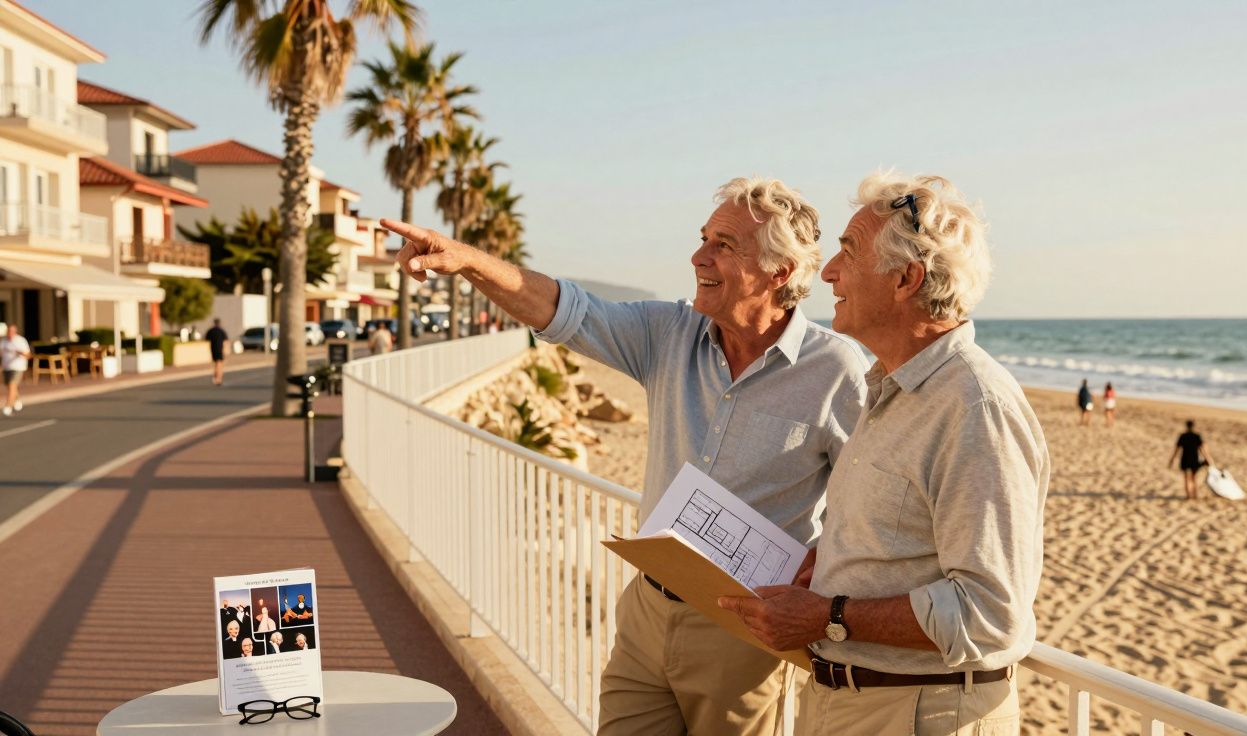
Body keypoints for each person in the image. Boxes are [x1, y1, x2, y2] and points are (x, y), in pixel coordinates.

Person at [382, 176, 869, 736]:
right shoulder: (668, 333)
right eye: (704, 238)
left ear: (779, 272)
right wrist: (468, 261)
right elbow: (565, 308)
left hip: (747, 635)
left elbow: (867, 505)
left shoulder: (837, 370)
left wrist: (820, 572)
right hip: (646, 611)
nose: (698, 256)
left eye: (724, 245)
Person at [719, 172, 1049, 736]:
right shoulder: (890, 388)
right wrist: (828, 560)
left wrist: (829, 616)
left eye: (848, 252)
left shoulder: (974, 406)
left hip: (919, 713)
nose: (828, 272)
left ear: (906, 279)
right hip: (853, 702)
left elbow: (991, 613)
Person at [1168, 419, 1213, 500]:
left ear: (1186, 426)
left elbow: (1177, 450)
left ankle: (1188, 495)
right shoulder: (1196, 436)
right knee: (1193, 478)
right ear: (1193, 426)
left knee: (1186, 478)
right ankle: (1195, 495)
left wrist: (1172, 460)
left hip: (1185, 459)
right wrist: (1208, 459)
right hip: (1194, 459)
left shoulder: (1183, 436)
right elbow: (1202, 450)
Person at [1, 324, 33, 417]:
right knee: (10, 386)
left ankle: (8, 407)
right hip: (6, 367)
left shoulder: (20, 341)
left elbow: (28, 355)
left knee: (12, 385)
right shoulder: (4, 341)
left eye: (12, 331)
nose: (10, 333)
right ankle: (17, 399)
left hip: (18, 367)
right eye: (9, 331)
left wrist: (20, 353)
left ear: (15, 332)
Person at [204, 319, 228, 386]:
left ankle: (216, 377)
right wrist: (226, 351)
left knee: (216, 364)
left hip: (213, 349)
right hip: (220, 349)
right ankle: (218, 378)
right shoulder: (221, 331)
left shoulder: (210, 331)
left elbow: (206, 339)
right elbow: (225, 341)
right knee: (219, 364)